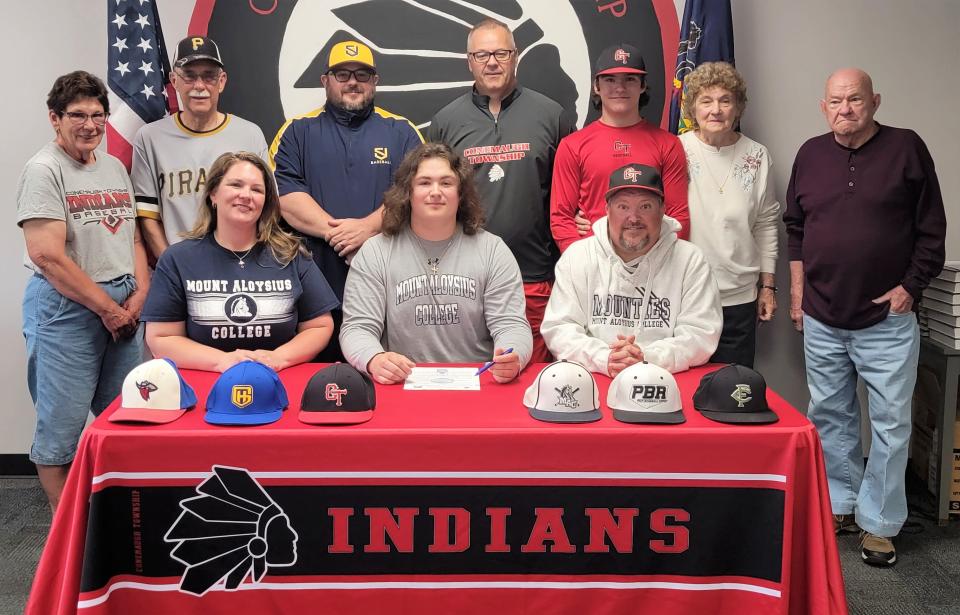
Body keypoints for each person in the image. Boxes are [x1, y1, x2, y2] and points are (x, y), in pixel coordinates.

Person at [784, 68, 946, 567]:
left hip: (887, 318)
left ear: (875, 100)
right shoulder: (810, 154)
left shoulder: (906, 148)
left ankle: (879, 524)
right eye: (836, 101)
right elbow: (796, 227)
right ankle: (840, 504)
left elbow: (931, 229)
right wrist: (797, 293)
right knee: (829, 416)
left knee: (892, 424)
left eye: (855, 99)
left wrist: (911, 287)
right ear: (822, 105)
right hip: (822, 315)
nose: (845, 109)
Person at [18, 71, 149, 511]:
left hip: (123, 303)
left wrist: (139, 294)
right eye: (77, 115)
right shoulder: (44, 170)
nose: (89, 124)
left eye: (97, 115)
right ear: (55, 118)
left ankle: (111, 515)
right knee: (61, 426)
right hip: (68, 308)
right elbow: (47, 256)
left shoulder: (112, 166)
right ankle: (64, 525)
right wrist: (107, 309)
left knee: (126, 414)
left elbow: (132, 238)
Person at [427, 18, 574, 363]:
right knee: (471, 377)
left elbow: (570, 192)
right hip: (463, 277)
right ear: (469, 61)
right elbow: (432, 199)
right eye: (481, 54)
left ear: (515, 56)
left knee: (529, 377)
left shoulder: (552, 116)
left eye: (500, 53)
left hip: (534, 276)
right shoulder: (445, 121)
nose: (491, 62)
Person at [271, 40, 423, 361]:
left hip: (388, 283)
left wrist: (368, 228)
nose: (353, 81)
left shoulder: (402, 131)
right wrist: (338, 233)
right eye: (342, 74)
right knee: (316, 384)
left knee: (387, 373)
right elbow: (284, 194)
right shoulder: (297, 131)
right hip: (314, 285)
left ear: (375, 82)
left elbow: (416, 191)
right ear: (325, 80)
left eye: (362, 74)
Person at [340, 143, 532, 385]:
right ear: (407, 192)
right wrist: (374, 359)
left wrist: (512, 355)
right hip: (402, 384)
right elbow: (357, 327)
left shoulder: (493, 250)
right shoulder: (376, 252)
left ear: (460, 193)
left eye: (446, 183)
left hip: (478, 383)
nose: (435, 191)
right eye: (424, 182)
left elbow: (511, 324)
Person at [142, 152, 338, 373]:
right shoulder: (178, 258)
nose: (246, 195)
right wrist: (221, 361)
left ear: (265, 202)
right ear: (213, 194)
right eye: (236, 185)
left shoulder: (292, 254)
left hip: (279, 383)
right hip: (205, 388)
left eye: (257, 189)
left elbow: (320, 325)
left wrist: (278, 358)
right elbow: (161, 337)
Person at [542, 163, 720, 376]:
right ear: (607, 210)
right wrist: (605, 358)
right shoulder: (578, 257)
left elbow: (701, 334)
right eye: (623, 206)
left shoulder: (691, 261)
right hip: (594, 378)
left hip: (665, 379)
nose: (633, 218)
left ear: (662, 210)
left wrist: (647, 357)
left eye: (645, 206)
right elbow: (559, 328)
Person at [678, 61, 779, 367]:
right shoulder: (674, 150)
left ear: (738, 108)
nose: (716, 110)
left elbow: (766, 223)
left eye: (725, 100)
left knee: (733, 392)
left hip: (740, 298)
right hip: (685, 295)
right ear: (692, 108)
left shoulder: (757, 156)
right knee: (683, 390)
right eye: (706, 101)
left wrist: (768, 286)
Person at [133, 36, 268, 260]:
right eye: (189, 76)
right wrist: (173, 270)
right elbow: (148, 218)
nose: (199, 86)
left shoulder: (250, 134)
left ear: (222, 81)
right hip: (180, 265)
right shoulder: (150, 138)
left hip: (241, 263)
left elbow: (266, 210)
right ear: (174, 80)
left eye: (209, 76)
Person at [550, 43, 689, 253]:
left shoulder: (667, 144)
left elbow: (679, 216)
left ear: (642, 85)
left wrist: (656, 261)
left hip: (652, 264)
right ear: (596, 86)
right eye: (610, 80)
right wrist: (582, 261)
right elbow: (560, 218)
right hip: (593, 262)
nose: (620, 88)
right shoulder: (573, 146)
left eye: (630, 79)